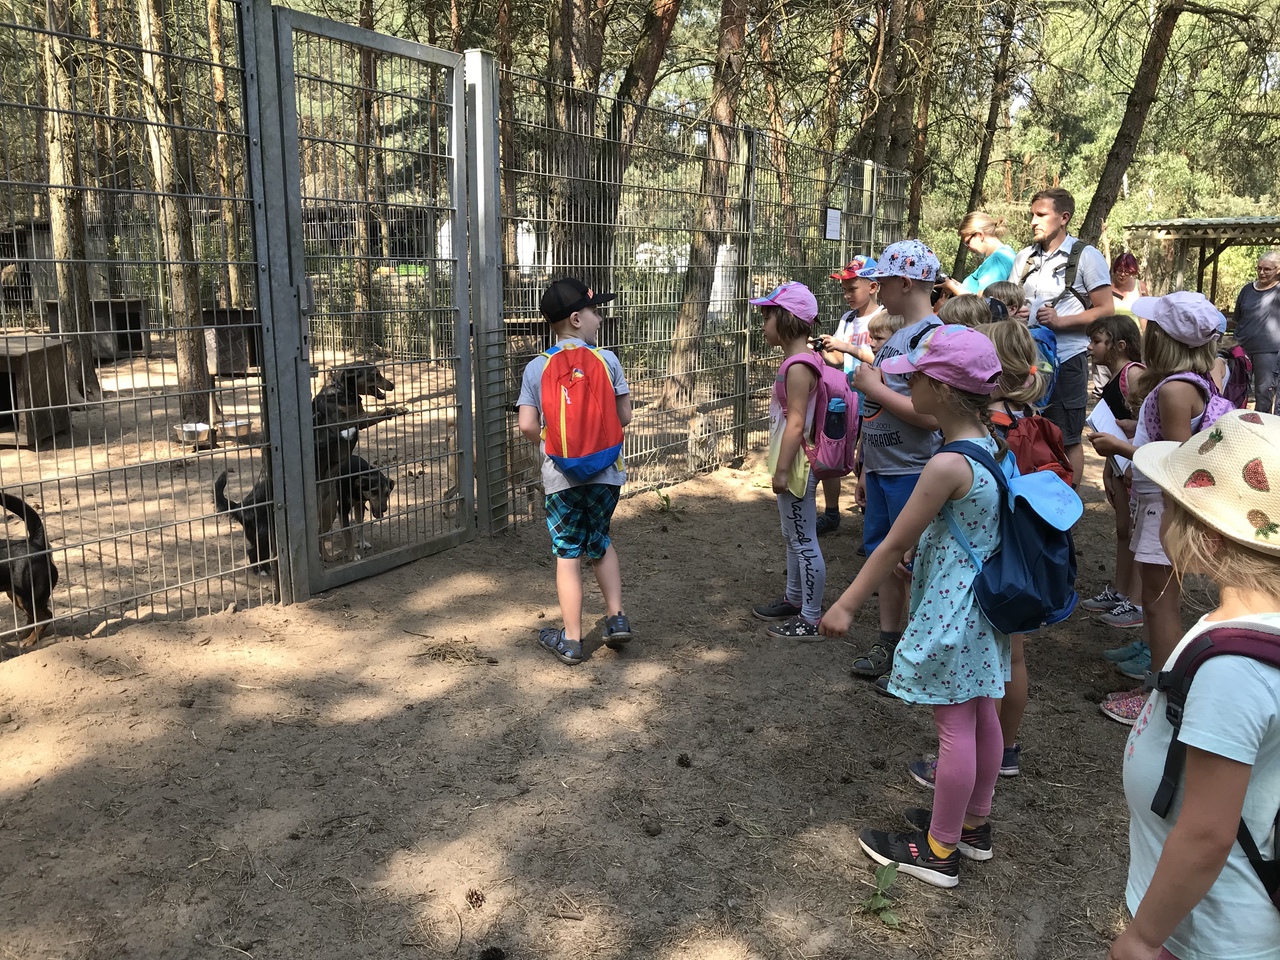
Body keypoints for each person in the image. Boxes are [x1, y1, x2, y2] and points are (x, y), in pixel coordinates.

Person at [820, 325, 1009, 888]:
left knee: (954, 730)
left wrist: (848, 604)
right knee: (982, 717)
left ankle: (939, 850)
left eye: (916, 379)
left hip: (954, 613)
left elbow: (893, 542)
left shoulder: (946, 464)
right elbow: (961, 528)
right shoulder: (990, 446)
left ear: (945, 390)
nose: (908, 389)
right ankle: (973, 824)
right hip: (982, 605)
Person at [1109, 409, 1280, 960]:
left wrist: (1142, 938)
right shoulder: (1249, 632)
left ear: (1206, 540)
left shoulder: (1235, 670)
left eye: (1165, 505)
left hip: (1211, 932)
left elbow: (1207, 833)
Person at [1087, 293, 1227, 724]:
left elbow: (1177, 460)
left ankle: (1161, 696)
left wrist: (1122, 445)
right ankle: (1157, 677)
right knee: (1155, 599)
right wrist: (1139, 429)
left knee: (1160, 602)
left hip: (1163, 506)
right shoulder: (1185, 384)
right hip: (1160, 503)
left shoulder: (1174, 390)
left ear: (1165, 338)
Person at [517, 277, 633, 666]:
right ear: (576, 319)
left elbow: (527, 426)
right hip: (606, 475)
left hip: (561, 479)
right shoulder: (608, 360)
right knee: (600, 540)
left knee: (568, 553)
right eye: (595, 311)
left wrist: (553, 445)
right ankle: (616, 619)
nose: (599, 317)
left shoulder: (537, 368)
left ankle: (571, 639)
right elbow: (625, 416)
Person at [846, 240, 945, 683]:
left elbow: (931, 415)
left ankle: (916, 656)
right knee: (883, 556)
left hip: (916, 470)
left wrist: (875, 388)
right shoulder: (898, 337)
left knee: (914, 562)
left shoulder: (933, 338)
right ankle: (889, 640)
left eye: (881, 281)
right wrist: (867, 465)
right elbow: (878, 413)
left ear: (905, 282)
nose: (876, 289)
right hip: (885, 468)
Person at [1010, 187, 1114, 483]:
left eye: (1041, 215)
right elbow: (1010, 301)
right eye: (1032, 214)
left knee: (1066, 438)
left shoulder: (1086, 256)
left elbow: (1106, 310)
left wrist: (1061, 321)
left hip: (1067, 360)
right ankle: (1033, 498)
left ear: (1064, 218)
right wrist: (1014, 314)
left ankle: (1067, 507)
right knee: (1024, 431)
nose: (1033, 221)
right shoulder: (1024, 258)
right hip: (1024, 362)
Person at [749, 282, 826, 640]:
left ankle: (810, 617)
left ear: (786, 319)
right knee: (792, 535)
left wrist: (782, 468)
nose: (763, 325)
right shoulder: (799, 360)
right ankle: (794, 599)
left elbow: (797, 422)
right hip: (793, 460)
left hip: (797, 464)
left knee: (803, 539)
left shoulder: (799, 366)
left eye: (767, 317)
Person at [1082, 315, 1146, 634]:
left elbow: (1146, 425)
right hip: (1121, 464)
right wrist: (1110, 469)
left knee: (1135, 533)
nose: (1091, 347)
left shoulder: (1133, 374)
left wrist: (1134, 465)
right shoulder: (1115, 377)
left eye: (1097, 341)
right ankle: (1120, 591)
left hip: (1135, 465)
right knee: (1123, 529)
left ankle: (1136, 601)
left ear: (1118, 345)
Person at [814, 256, 883, 535]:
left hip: (873, 398)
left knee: (867, 459)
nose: (846, 295)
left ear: (873, 287)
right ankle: (832, 513)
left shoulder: (883, 319)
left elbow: (877, 357)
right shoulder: (848, 318)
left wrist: (844, 345)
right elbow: (839, 360)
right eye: (844, 288)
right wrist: (821, 348)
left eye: (852, 288)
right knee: (833, 451)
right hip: (845, 397)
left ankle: (871, 523)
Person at [1233, 251, 1280, 415]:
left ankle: (1263, 428)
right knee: (1235, 389)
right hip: (1241, 348)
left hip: (1268, 351)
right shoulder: (1247, 290)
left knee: (1264, 393)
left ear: (1278, 270)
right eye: (1259, 268)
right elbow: (1238, 317)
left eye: (1267, 269)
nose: (1262, 272)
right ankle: (1234, 422)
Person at [938, 212, 1017, 298]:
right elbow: (975, 292)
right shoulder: (1006, 253)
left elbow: (984, 300)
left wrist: (952, 288)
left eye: (968, 242)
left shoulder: (996, 260)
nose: (967, 247)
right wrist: (957, 285)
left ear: (980, 235)